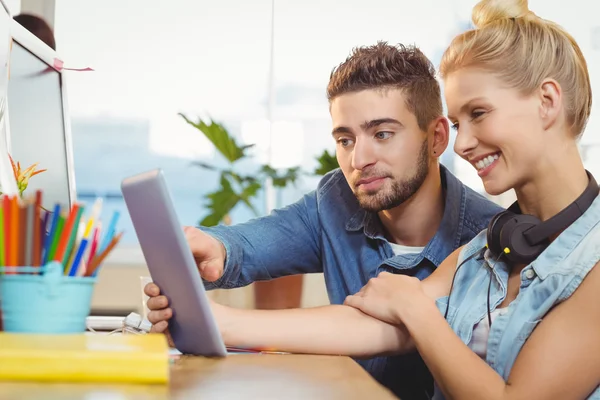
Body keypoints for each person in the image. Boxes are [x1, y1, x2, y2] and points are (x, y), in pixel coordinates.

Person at [146, 42, 504, 399]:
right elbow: (254, 242)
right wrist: (216, 249)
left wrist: (222, 323)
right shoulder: (335, 201)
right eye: (345, 140)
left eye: (382, 134)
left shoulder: (490, 237)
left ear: (437, 137)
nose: (358, 158)